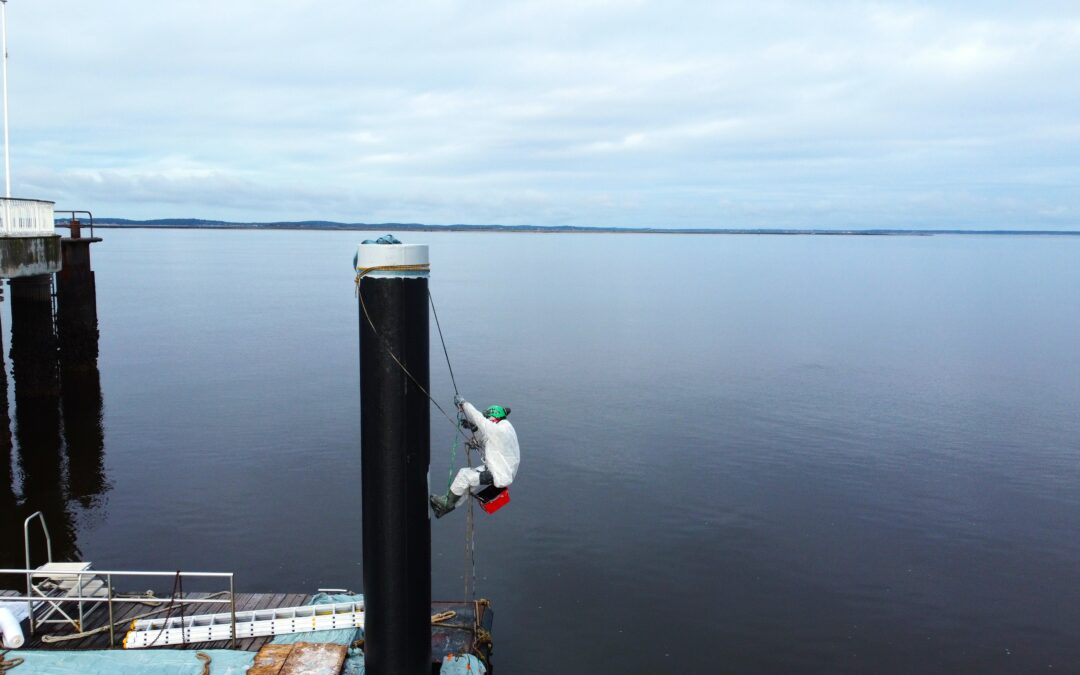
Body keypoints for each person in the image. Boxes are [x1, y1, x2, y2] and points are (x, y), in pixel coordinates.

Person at [430, 395, 520, 518]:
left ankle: (446, 503)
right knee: (468, 483)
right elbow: (486, 439)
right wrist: (475, 429)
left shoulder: (500, 430)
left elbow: (479, 419)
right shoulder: (505, 428)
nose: (487, 420)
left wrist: (464, 404)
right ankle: (446, 508)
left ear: (493, 418)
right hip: (499, 471)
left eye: (488, 418)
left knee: (464, 477)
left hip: (498, 473)